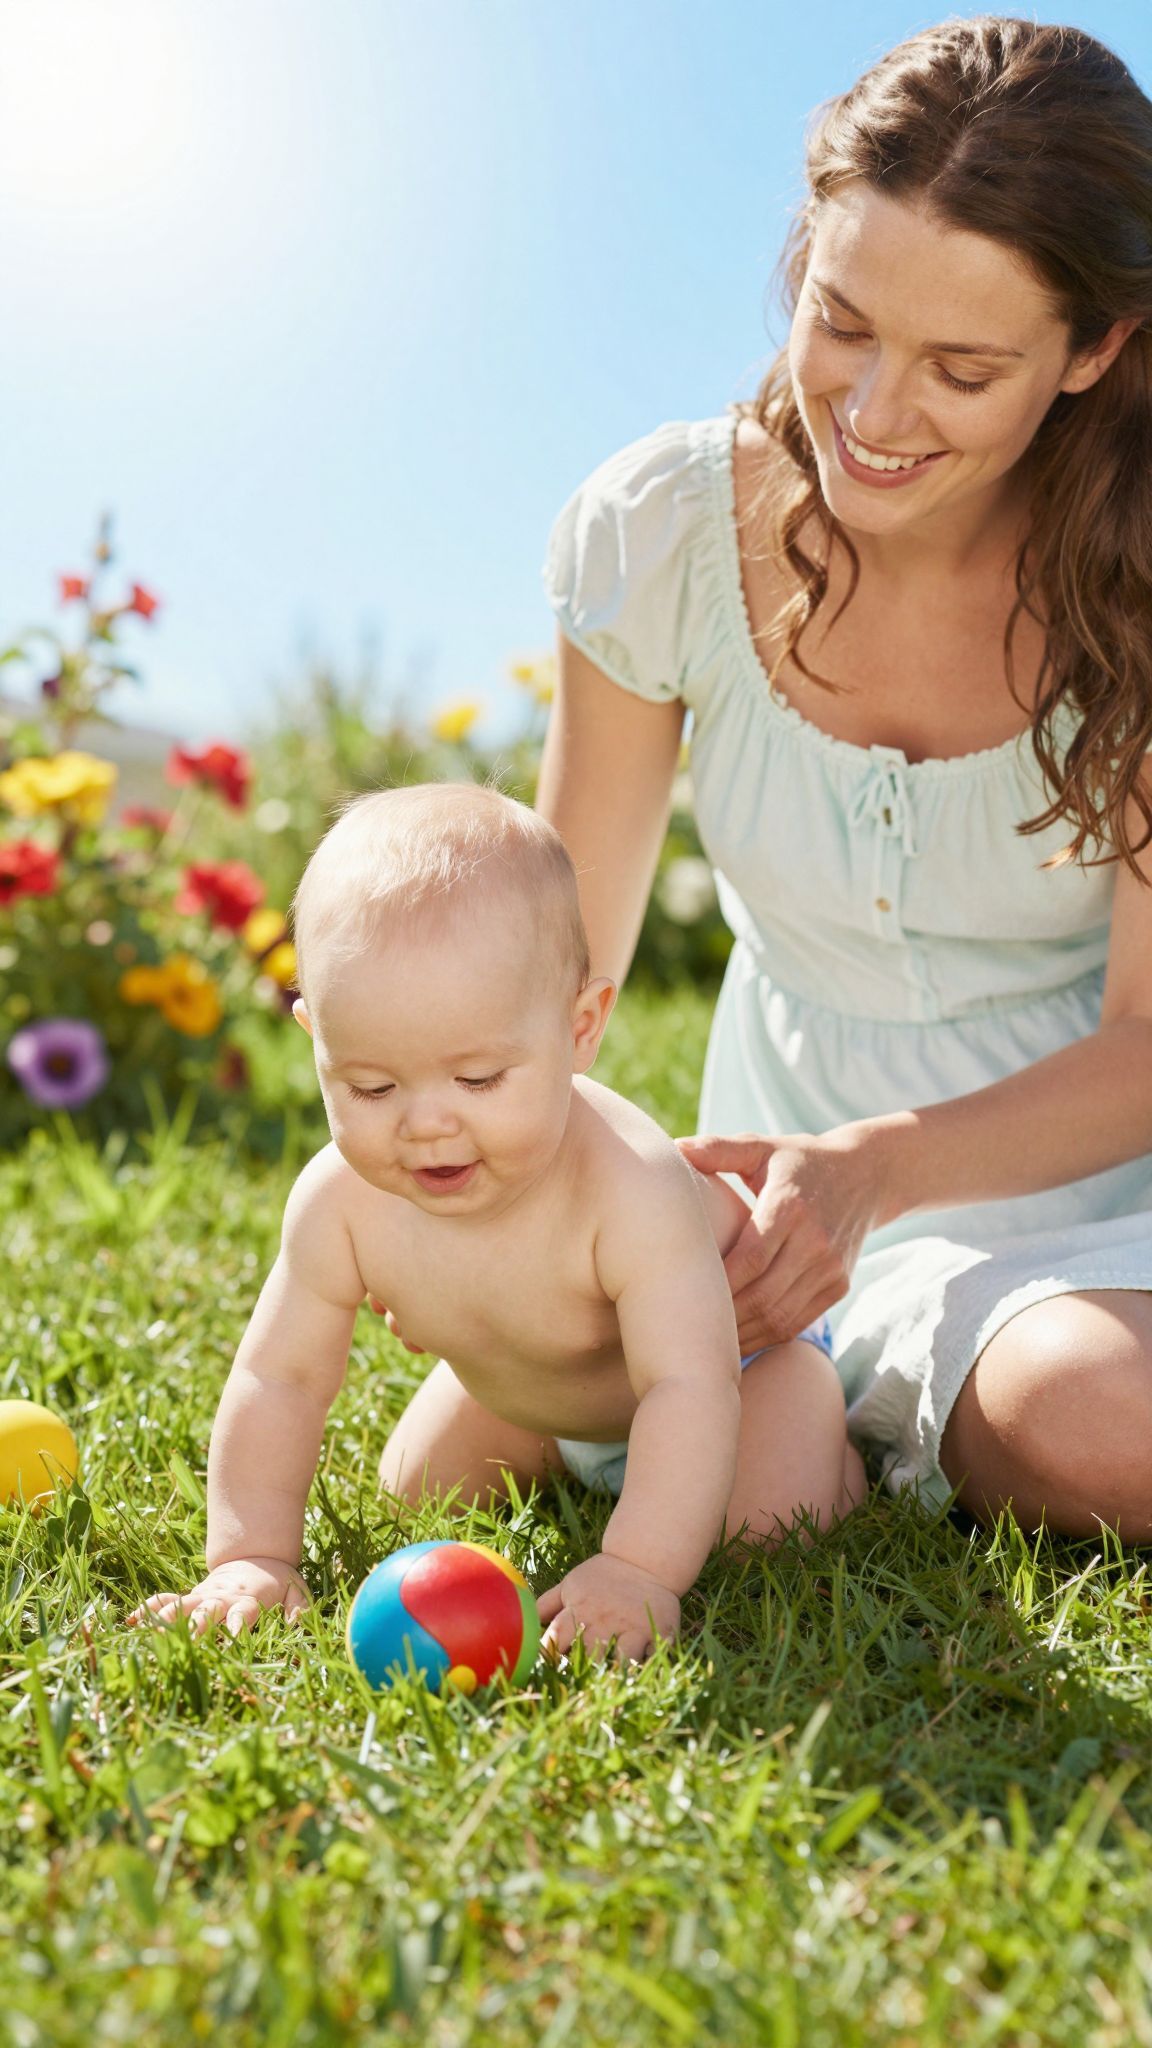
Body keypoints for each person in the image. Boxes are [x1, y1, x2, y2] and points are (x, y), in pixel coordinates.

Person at [536, 17, 1152, 1543]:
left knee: (1085, 1416)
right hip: (780, 1233)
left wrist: (886, 1169)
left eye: (961, 367)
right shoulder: (664, 532)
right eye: (842, 320)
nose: (872, 414)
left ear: (1093, 351)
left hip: (1102, 1210)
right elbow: (563, 972)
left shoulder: (1138, 584)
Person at [126, 784, 863, 1662]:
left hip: (741, 1368)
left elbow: (685, 1386)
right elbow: (278, 1378)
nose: (427, 1123)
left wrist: (636, 1568)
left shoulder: (631, 1184)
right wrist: (249, 1556)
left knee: (765, 1529)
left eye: (478, 1080)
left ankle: (852, 1452)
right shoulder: (341, 1199)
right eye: (370, 1086)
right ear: (315, 1036)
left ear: (580, 1027)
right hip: (542, 1391)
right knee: (414, 1493)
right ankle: (572, 1453)